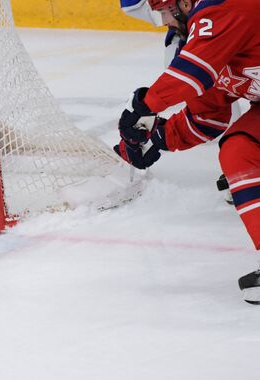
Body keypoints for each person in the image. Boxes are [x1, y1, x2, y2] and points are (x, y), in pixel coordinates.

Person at [113, 0, 260, 304]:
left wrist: (143, 104)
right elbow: (207, 117)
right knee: (239, 150)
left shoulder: (226, 6)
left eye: (163, 11)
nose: (164, 22)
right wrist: (157, 139)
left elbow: (192, 74)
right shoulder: (209, 46)